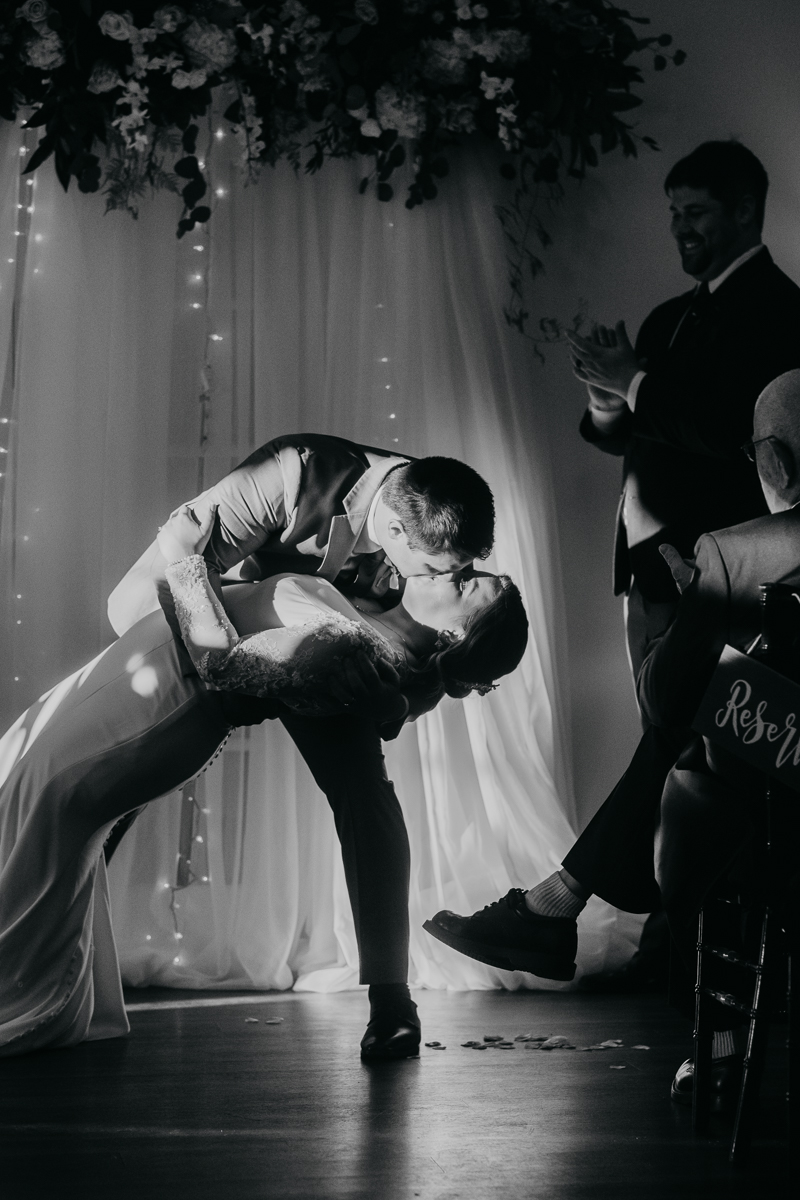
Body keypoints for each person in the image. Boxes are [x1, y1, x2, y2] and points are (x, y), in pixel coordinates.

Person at [0, 501, 529, 1059]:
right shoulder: (366, 613)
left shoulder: (351, 648)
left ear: (452, 636)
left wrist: (185, 562)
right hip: (131, 681)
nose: (454, 567)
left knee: (36, 815)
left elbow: (222, 665)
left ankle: (28, 996)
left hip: (157, 706)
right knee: (28, 810)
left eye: (468, 582)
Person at [424, 369, 800, 1103]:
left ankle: (716, 1049)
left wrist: (688, 616)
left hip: (763, 823)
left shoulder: (738, 552)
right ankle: (555, 905)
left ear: (776, 462)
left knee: (690, 757)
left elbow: (663, 702)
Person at [566, 139, 800, 992]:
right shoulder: (669, 317)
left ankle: (683, 950)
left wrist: (638, 384)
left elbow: (739, 440)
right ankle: (670, 942)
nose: (680, 230)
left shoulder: (782, 312)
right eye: (673, 214)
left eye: (695, 213)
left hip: (728, 575)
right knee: (666, 746)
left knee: (706, 751)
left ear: (744, 210)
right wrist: (607, 398)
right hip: (650, 568)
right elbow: (634, 433)